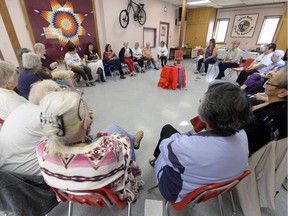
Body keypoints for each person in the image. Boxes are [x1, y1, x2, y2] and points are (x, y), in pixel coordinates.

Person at [150, 82, 254, 203]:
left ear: (205, 114)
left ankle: (155, 161)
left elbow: (165, 146)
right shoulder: (242, 135)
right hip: (213, 187)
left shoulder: (189, 147)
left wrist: (183, 137)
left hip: (176, 192)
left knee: (167, 129)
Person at [36, 91, 144, 202]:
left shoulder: (41, 148)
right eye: (88, 112)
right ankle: (134, 141)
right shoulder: (111, 151)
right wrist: (95, 134)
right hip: (111, 195)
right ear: (85, 123)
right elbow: (117, 140)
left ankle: (134, 139)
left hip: (73, 194)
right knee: (115, 129)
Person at [0, 80, 62, 175]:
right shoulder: (45, 115)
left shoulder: (22, 108)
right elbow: (71, 138)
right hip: (29, 175)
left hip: (9, 170)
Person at [244, 66, 287, 155]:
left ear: (282, 92)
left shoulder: (265, 120)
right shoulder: (280, 108)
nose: (266, 83)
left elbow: (242, 146)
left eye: (269, 83)